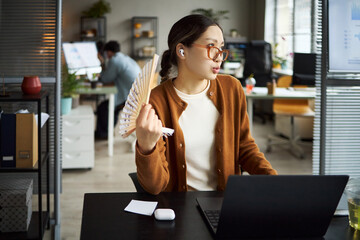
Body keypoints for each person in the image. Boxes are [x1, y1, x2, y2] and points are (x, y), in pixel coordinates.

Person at [135, 15, 277, 195]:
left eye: (222, 47)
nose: (219, 56)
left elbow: (245, 147)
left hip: (226, 205)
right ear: (182, 51)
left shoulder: (231, 88)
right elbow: (155, 187)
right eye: (211, 46)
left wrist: (273, 181)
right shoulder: (155, 101)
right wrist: (147, 148)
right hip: (179, 209)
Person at [95, 40, 141, 139]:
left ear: (109, 52)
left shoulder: (114, 60)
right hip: (138, 95)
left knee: (104, 107)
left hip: (130, 97)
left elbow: (106, 78)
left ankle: (104, 134)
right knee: (109, 106)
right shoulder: (125, 58)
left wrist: (102, 62)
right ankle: (107, 132)